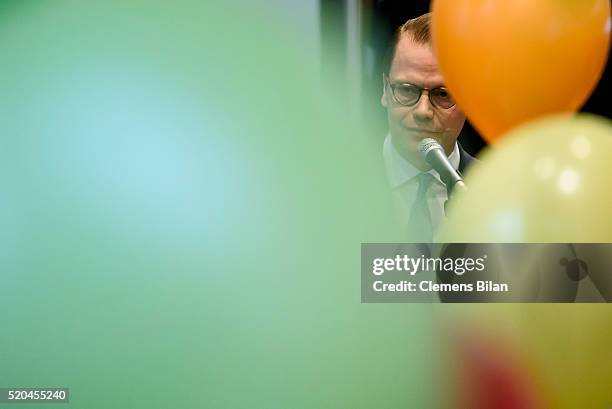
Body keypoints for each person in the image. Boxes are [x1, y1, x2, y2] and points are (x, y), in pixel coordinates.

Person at [380, 12, 476, 241]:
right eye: (406, 89)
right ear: (384, 90)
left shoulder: (498, 193)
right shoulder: (330, 188)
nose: (423, 111)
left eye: (443, 94)